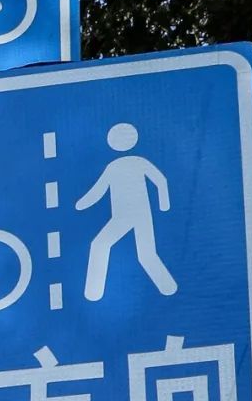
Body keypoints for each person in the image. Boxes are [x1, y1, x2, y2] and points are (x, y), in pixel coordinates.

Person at [76, 122, 177, 301]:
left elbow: (160, 180)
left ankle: (93, 292)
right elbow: (99, 190)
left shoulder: (135, 163)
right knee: (145, 254)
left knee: (101, 245)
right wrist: (81, 204)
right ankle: (168, 288)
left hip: (128, 216)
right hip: (133, 215)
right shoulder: (119, 165)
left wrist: (165, 205)